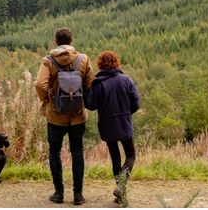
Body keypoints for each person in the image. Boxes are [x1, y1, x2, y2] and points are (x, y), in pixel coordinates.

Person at [34, 27, 94, 205]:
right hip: (77, 115)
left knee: (54, 151)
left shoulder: (48, 61)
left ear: (55, 42)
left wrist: (47, 99)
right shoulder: (83, 60)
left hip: (56, 115)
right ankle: (78, 195)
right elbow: (91, 84)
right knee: (77, 151)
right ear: (72, 40)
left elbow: (39, 84)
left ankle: (59, 192)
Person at [84, 51, 140, 203]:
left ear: (100, 64)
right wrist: (127, 114)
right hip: (124, 123)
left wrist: (84, 89)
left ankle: (121, 194)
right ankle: (121, 188)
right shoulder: (126, 80)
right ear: (116, 62)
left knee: (115, 157)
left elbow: (90, 105)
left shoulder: (98, 83)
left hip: (107, 125)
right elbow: (136, 103)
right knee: (131, 154)